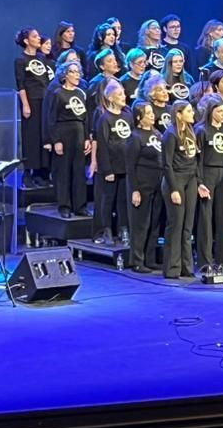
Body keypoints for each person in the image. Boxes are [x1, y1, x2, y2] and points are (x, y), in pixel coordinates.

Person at [194, 95, 223, 276]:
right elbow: (197, 159)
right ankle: (204, 261)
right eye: (219, 111)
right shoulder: (201, 130)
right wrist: (200, 182)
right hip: (207, 175)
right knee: (205, 219)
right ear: (211, 112)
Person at [43, 60, 90, 220]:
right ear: (65, 75)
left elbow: (86, 117)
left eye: (78, 72)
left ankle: (80, 206)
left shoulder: (81, 93)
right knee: (63, 172)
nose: (77, 75)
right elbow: (51, 119)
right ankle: (64, 206)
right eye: (73, 72)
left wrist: (87, 138)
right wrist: (56, 140)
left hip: (79, 134)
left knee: (79, 172)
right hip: (63, 134)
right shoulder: (58, 94)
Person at [161, 100, 199, 280]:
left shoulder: (191, 132)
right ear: (178, 114)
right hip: (175, 180)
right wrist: (174, 189)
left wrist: (198, 182)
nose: (193, 114)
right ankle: (172, 267)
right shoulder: (170, 135)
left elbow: (194, 160)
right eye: (189, 111)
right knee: (176, 224)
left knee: (187, 226)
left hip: (190, 180)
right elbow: (166, 164)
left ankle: (187, 266)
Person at [91, 79, 131, 245]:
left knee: (123, 200)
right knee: (107, 200)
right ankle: (105, 230)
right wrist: (107, 170)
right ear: (111, 98)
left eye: (123, 93)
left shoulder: (128, 115)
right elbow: (103, 146)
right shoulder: (104, 118)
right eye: (120, 94)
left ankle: (123, 228)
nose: (124, 96)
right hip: (110, 168)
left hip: (125, 166)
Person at [124, 101, 163, 272]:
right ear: (139, 118)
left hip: (158, 184)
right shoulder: (135, 137)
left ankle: (150, 258)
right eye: (148, 113)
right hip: (142, 185)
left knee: (154, 223)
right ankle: (137, 261)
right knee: (141, 224)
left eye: (152, 113)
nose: (152, 116)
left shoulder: (158, 134)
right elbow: (130, 166)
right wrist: (135, 190)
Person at [14, 30, 52, 186]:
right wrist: (26, 105)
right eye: (35, 37)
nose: (39, 39)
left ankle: (41, 172)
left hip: (45, 100)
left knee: (43, 136)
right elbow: (21, 85)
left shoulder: (42, 58)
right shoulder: (20, 60)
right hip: (31, 101)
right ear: (26, 40)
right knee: (31, 137)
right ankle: (27, 172)